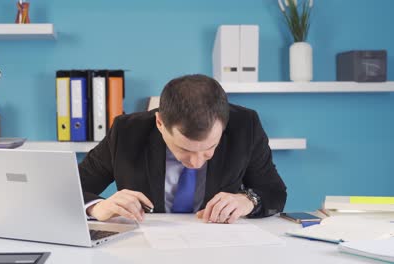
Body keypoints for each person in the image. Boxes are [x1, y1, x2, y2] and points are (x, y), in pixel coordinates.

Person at [79, 74, 287, 224]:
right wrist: (97, 207)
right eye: (184, 149)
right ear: (160, 123)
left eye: (209, 148)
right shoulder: (126, 131)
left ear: (224, 124)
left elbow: (274, 191)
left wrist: (247, 200)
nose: (196, 162)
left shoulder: (245, 126)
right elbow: (70, 189)